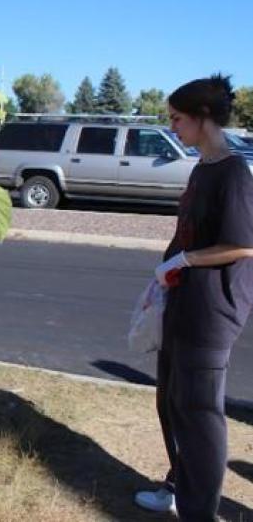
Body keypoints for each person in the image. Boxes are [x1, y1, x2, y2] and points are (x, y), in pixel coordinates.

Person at [135, 74, 253, 520]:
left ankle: (198, 511)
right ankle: (178, 485)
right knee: (169, 402)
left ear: (203, 118)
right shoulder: (203, 168)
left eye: (177, 119)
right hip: (181, 304)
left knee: (200, 415)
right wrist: (161, 278)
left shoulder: (234, 172)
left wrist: (181, 261)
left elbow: (243, 243)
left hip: (213, 311)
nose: (173, 127)